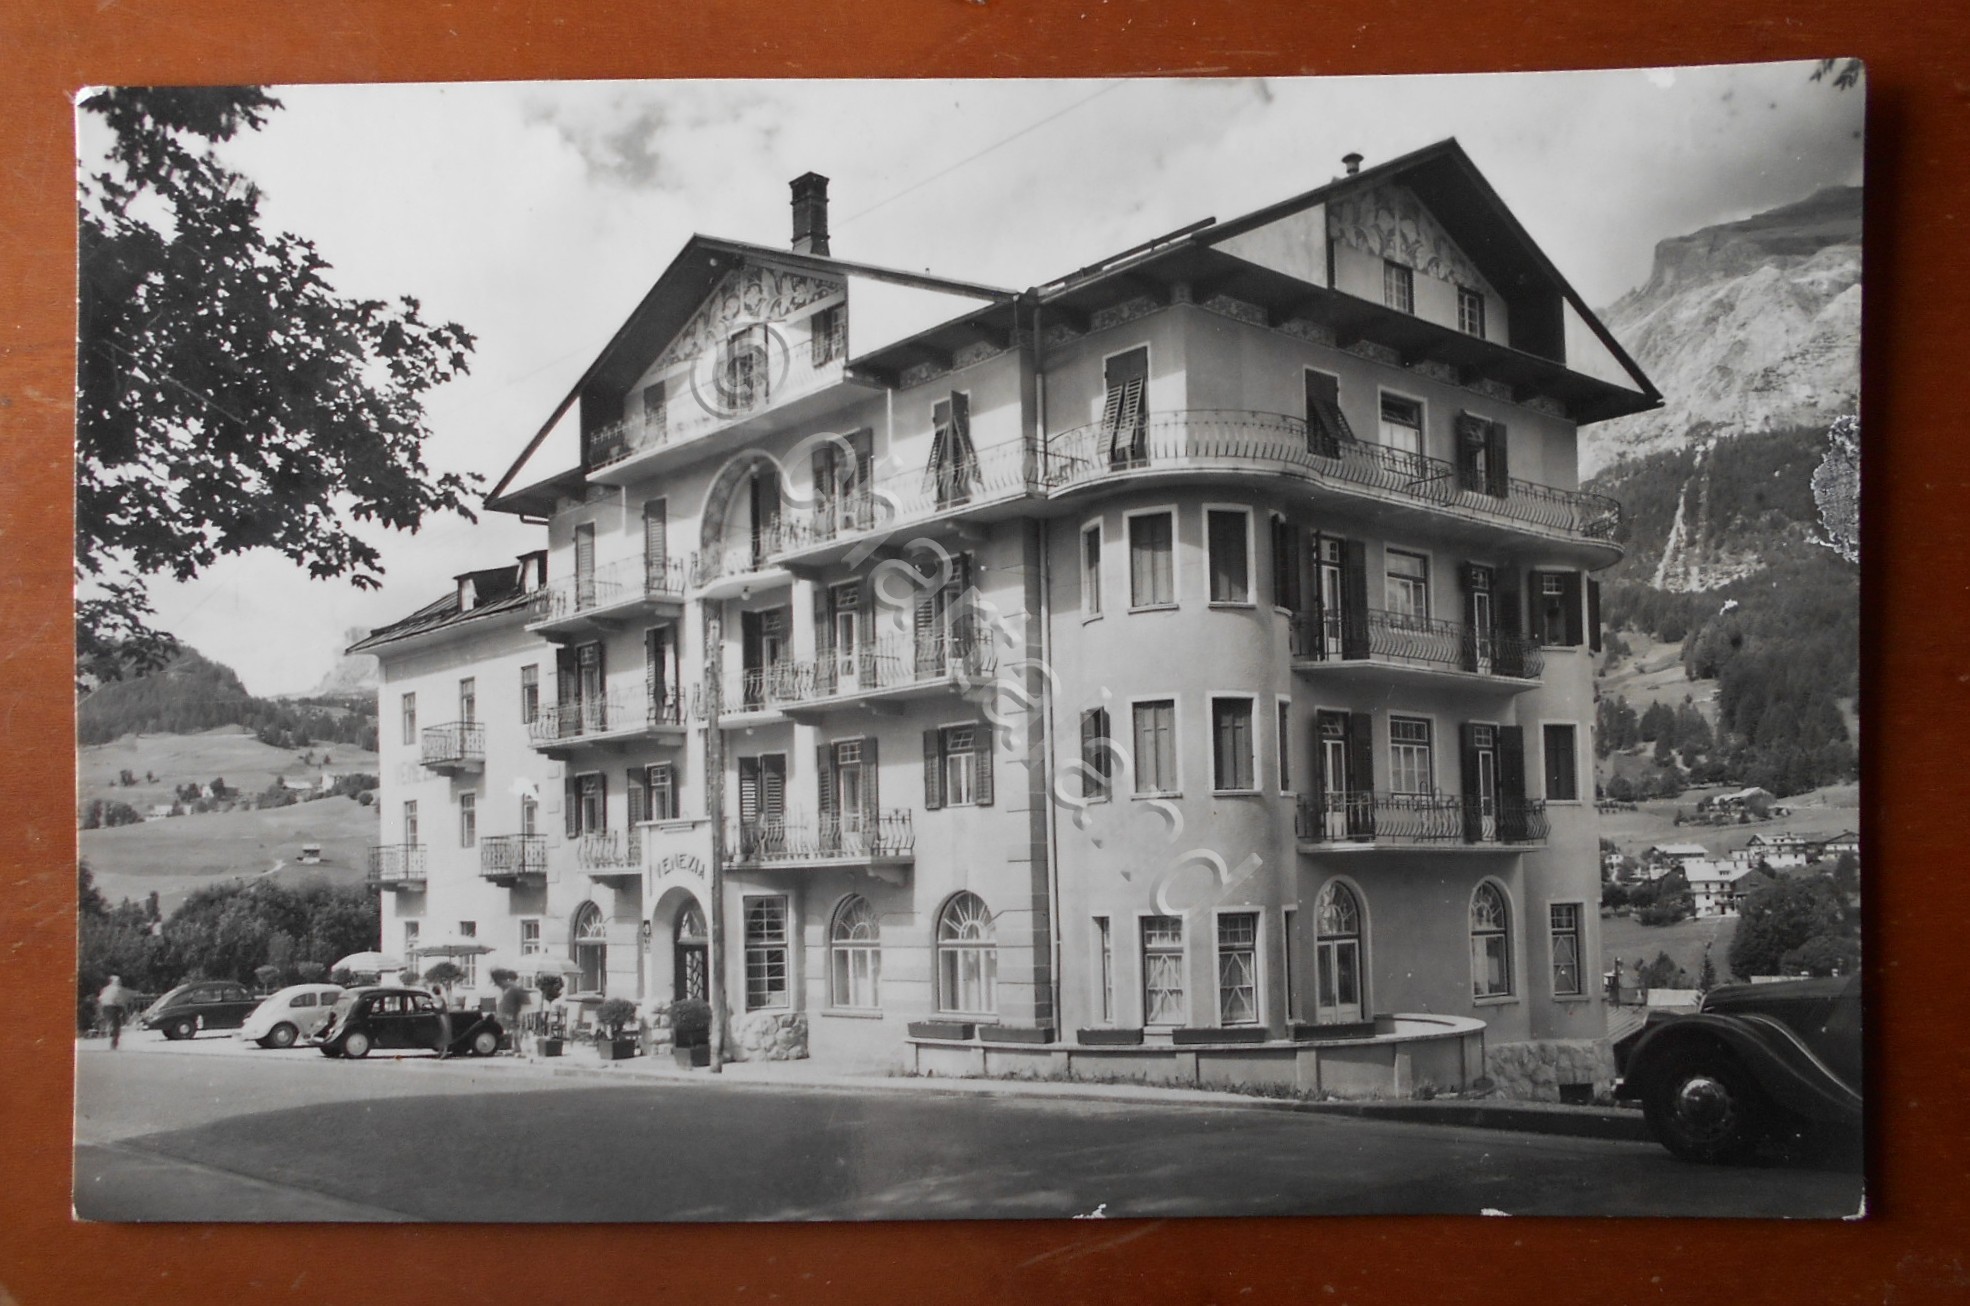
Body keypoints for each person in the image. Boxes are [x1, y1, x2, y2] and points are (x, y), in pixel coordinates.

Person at [495, 973, 529, 1056]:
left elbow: (514, 1002)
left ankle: (517, 1047)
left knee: (515, 1030)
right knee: (515, 1030)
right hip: (515, 1012)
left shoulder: (514, 988)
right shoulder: (513, 988)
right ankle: (516, 1047)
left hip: (515, 1013)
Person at [97, 975, 130, 1049]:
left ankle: (105, 1033)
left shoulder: (105, 989)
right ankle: (114, 1043)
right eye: (119, 981)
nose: (120, 982)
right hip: (114, 1007)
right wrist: (124, 1010)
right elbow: (120, 1000)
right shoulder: (118, 989)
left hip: (105, 1006)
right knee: (116, 1025)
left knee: (107, 1022)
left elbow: (100, 999)